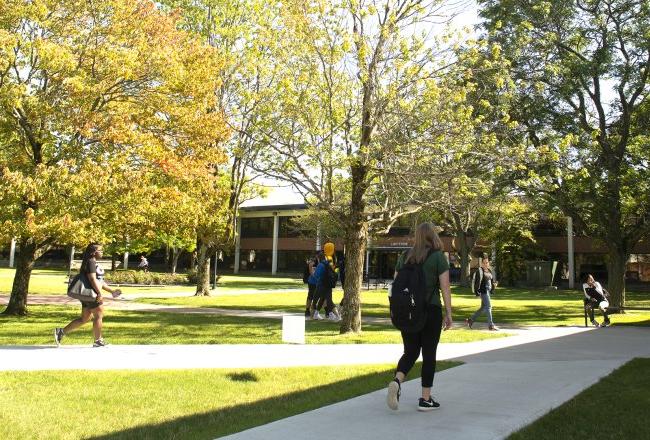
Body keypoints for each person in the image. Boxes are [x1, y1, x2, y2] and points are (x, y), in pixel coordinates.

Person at [386, 222, 453, 412]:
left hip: (408, 312)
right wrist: (448, 313)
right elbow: (445, 287)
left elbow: (396, 285)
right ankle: (425, 399)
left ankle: (397, 381)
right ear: (433, 236)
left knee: (410, 352)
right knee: (429, 354)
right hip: (430, 310)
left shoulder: (405, 256)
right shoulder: (438, 257)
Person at [54, 243, 122, 347]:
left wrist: (111, 291)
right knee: (98, 316)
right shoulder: (90, 262)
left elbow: (100, 281)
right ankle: (98, 341)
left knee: (85, 319)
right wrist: (99, 293)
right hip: (92, 294)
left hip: (89, 295)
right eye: (101, 250)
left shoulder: (92, 262)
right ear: (94, 252)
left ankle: (61, 332)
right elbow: (92, 279)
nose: (102, 252)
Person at [465, 256, 499, 331]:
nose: (485, 264)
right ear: (482, 263)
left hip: (488, 291)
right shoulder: (480, 271)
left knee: (483, 308)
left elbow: (491, 281)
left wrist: (494, 285)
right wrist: (477, 293)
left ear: (488, 263)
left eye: (487, 262)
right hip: (483, 291)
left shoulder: (489, 271)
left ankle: (470, 320)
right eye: (484, 263)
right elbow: (477, 283)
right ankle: (491, 325)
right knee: (489, 307)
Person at [311, 242, 340, 321]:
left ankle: (335, 315)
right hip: (329, 283)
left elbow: (316, 275)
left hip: (322, 283)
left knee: (317, 299)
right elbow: (335, 270)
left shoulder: (322, 263)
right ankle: (326, 314)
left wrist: (313, 271)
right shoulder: (331, 260)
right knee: (324, 299)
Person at [304, 252, 320, 318]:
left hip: (316, 282)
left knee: (315, 296)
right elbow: (311, 272)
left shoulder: (319, 262)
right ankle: (308, 310)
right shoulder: (312, 262)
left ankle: (312, 310)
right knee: (311, 296)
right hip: (312, 282)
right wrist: (317, 277)